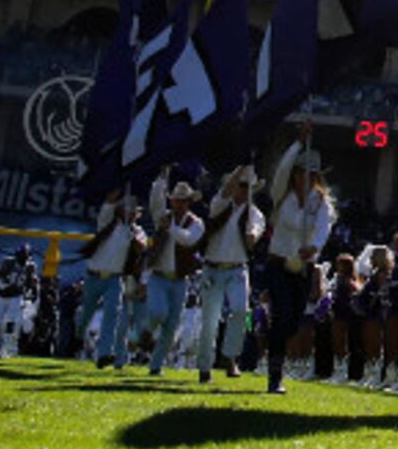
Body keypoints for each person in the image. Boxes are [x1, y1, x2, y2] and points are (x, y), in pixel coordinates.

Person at [261, 125, 334, 394]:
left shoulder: (320, 202)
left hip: (302, 268)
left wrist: (313, 247)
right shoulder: (283, 196)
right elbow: (280, 172)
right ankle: (274, 376)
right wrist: (297, 143)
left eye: (309, 173)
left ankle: (275, 358)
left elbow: (325, 228)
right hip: (279, 264)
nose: (304, 177)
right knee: (282, 316)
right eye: (300, 172)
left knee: (292, 322)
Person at [192, 163, 263, 382]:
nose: (241, 190)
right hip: (213, 268)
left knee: (242, 312)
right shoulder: (220, 204)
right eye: (240, 186)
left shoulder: (254, 213)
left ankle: (230, 357)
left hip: (237, 268)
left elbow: (255, 231)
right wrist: (242, 167)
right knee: (210, 319)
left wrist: (252, 236)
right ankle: (205, 366)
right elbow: (225, 191)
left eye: (246, 187)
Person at [137, 178, 203, 377]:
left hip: (179, 279)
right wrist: (161, 179)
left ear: (189, 202)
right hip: (159, 276)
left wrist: (170, 228)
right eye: (176, 200)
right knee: (158, 312)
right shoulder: (163, 217)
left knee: (172, 325)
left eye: (183, 201)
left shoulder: (196, 223)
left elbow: (187, 239)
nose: (179, 204)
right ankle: (147, 331)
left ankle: (155, 366)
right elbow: (155, 202)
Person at [76, 186, 140, 369]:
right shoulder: (107, 223)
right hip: (94, 276)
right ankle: (78, 337)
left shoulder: (136, 232)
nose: (130, 213)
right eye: (127, 209)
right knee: (86, 314)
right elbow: (109, 202)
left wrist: (135, 240)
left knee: (112, 314)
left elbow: (141, 247)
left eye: (133, 211)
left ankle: (104, 353)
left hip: (114, 278)